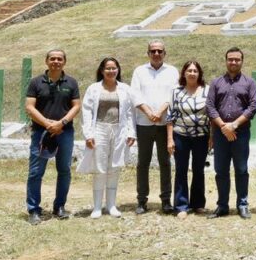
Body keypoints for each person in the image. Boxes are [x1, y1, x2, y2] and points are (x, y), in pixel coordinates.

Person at [24, 49, 81, 225]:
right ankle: (34, 210)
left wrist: (61, 123)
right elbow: (29, 107)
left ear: (64, 62)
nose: (56, 61)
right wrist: (48, 125)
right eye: (53, 58)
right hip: (41, 133)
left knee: (64, 170)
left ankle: (59, 207)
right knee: (35, 172)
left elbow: (76, 106)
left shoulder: (71, 82)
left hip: (65, 132)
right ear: (46, 61)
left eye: (59, 59)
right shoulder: (36, 82)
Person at [79, 57, 136, 219]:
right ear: (102, 71)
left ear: (118, 70)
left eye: (114, 68)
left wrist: (132, 132)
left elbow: (130, 112)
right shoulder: (94, 88)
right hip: (100, 129)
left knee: (114, 167)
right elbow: (87, 111)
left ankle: (111, 205)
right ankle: (97, 206)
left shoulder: (124, 89)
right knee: (100, 167)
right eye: (108, 68)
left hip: (119, 130)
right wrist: (88, 134)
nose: (111, 71)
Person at [207, 47, 256, 219]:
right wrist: (224, 126)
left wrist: (234, 125)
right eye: (230, 59)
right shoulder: (216, 82)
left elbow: (253, 106)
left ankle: (242, 204)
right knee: (220, 170)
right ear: (226, 60)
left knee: (241, 170)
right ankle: (222, 206)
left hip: (241, 133)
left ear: (241, 61)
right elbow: (210, 106)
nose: (233, 62)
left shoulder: (249, 83)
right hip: (220, 134)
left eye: (237, 59)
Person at [130, 40, 179, 215]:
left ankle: (166, 200)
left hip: (164, 124)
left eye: (160, 51)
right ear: (148, 53)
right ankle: (142, 200)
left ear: (165, 53)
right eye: (153, 51)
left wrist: (160, 112)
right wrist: (149, 112)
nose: (156, 53)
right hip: (144, 123)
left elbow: (174, 94)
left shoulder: (172, 71)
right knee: (142, 163)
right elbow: (135, 94)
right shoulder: (139, 71)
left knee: (165, 162)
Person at [166, 61, 212, 219]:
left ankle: (198, 204)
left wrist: (211, 137)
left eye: (195, 71)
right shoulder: (176, 92)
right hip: (181, 135)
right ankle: (181, 206)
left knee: (199, 170)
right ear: (184, 73)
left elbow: (212, 115)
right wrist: (170, 139)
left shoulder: (207, 90)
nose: (192, 73)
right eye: (189, 70)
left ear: (199, 73)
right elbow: (170, 116)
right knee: (181, 170)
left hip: (202, 136)